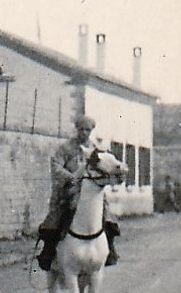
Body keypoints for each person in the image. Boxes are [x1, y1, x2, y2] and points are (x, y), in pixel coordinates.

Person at [35, 114, 119, 271]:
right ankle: (49, 251)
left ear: (91, 130)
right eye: (81, 129)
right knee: (56, 216)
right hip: (70, 190)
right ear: (76, 129)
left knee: (107, 214)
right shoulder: (65, 148)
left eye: (88, 130)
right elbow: (56, 166)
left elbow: (104, 166)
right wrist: (72, 177)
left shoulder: (96, 150)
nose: (84, 133)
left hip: (91, 190)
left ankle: (109, 249)